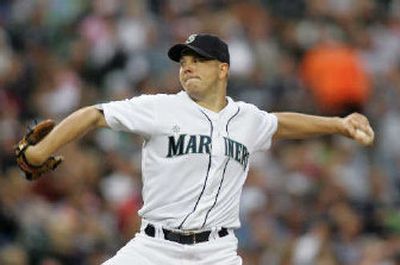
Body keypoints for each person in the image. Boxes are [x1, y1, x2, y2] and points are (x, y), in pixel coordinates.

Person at [23, 33, 374, 264]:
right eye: (183, 61)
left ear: (223, 69)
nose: (187, 65)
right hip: (153, 249)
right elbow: (94, 114)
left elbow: (279, 123)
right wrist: (38, 154)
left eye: (198, 59)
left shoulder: (246, 118)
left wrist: (338, 124)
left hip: (216, 253)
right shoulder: (160, 107)